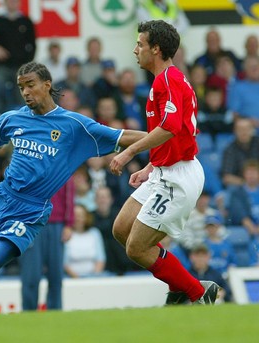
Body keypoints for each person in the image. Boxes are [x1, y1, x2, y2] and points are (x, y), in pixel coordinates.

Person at [0, 61, 147, 315]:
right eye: (21, 87)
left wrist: (162, 136)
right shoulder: (11, 119)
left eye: (30, 85)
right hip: (0, 196)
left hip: (30, 211)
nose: (26, 92)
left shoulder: (74, 126)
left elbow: (121, 135)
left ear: (47, 85)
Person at [109, 20, 220, 306]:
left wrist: (129, 152)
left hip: (179, 176)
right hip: (163, 170)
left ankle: (196, 294)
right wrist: (150, 166)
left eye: (140, 44)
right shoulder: (167, 80)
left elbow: (170, 127)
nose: (135, 50)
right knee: (121, 229)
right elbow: (175, 131)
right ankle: (185, 284)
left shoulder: (167, 80)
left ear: (155, 49)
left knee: (136, 247)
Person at [19, 179, 74, 311]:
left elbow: (69, 191)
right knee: (30, 275)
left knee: (56, 275)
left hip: (56, 224)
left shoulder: (62, 162)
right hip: (31, 223)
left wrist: (68, 224)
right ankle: (28, 314)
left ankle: (55, 313)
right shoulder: (29, 161)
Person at [0, 0, 36, 112]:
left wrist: (27, 64)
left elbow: (32, 45)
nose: (12, 3)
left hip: (20, 66)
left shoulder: (26, 21)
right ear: (4, 3)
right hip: (2, 65)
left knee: (24, 94)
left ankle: (25, 118)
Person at [221, 117, 259, 187]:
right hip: (239, 189)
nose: (244, 132)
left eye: (247, 129)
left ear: (252, 130)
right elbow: (226, 177)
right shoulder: (230, 149)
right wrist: (247, 184)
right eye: (240, 129)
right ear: (234, 131)